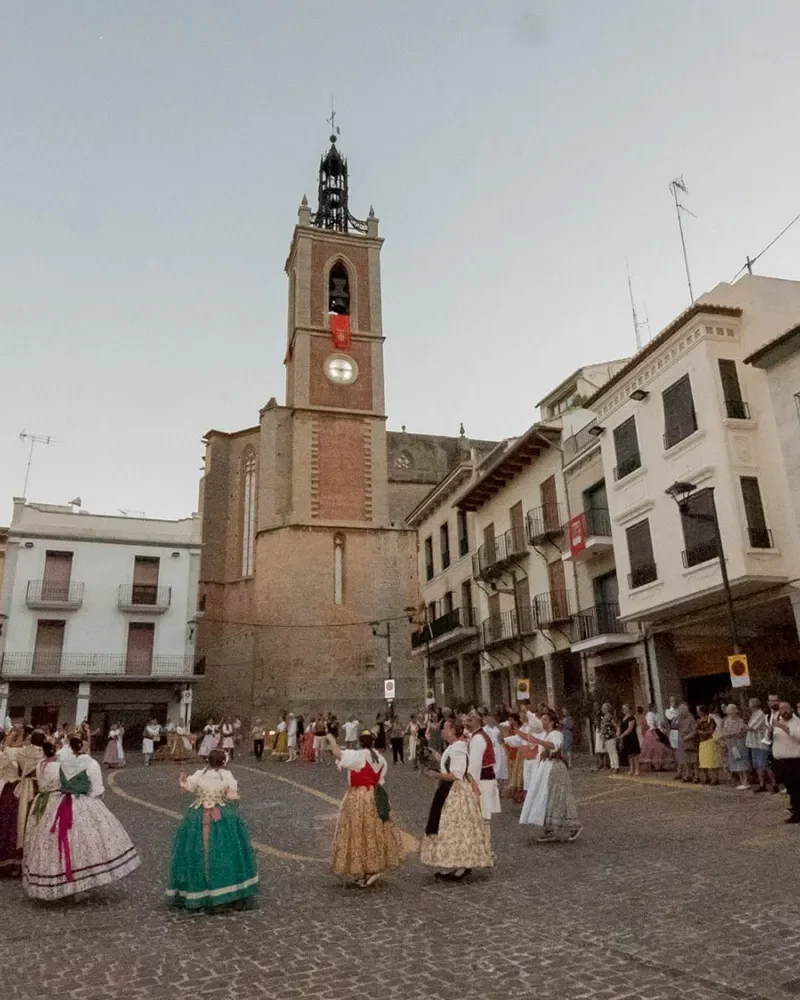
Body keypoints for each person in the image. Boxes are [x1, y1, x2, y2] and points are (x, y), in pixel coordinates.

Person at [22, 738, 140, 901]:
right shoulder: (91, 764)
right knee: (84, 844)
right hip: (83, 803)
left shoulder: (63, 763)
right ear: (84, 747)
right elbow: (96, 790)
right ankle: (79, 885)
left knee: (59, 844)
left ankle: (64, 883)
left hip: (61, 803)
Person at [166, 748, 258, 909]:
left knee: (197, 850)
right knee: (224, 850)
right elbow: (232, 796)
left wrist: (182, 779)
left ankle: (198, 888)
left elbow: (186, 787)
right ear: (223, 762)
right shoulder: (226, 775)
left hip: (198, 814)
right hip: (221, 815)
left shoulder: (200, 774)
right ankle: (225, 889)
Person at [327, 730, 406, 887]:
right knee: (373, 831)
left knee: (357, 831)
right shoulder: (381, 759)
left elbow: (338, 754)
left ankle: (365, 869)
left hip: (359, 796)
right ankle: (370, 867)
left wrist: (331, 738)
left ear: (360, 742)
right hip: (375, 796)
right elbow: (380, 780)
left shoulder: (359, 756)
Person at [420, 719, 493, 880]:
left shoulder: (459, 749)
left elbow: (456, 774)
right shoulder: (455, 747)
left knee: (456, 826)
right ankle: (453, 862)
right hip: (450, 790)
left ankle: (462, 864)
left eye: (445, 728)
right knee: (450, 827)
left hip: (455, 791)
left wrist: (435, 775)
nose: (443, 731)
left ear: (452, 731)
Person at [519, 709, 582, 843]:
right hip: (545, 768)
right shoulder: (545, 734)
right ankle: (550, 829)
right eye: (542, 719)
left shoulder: (556, 734)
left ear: (552, 722)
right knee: (546, 797)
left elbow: (555, 746)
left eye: (546, 719)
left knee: (558, 796)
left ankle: (573, 826)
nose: (543, 721)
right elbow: (531, 737)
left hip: (555, 767)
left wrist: (538, 741)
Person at [467, 712, 501, 823]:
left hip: (482, 780)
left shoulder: (478, 738)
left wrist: (472, 781)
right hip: (484, 778)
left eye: (470, 720)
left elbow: (475, 764)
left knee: (483, 813)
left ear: (477, 722)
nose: (467, 723)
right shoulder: (478, 736)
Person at [771, 702, 800, 823]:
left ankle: (797, 813)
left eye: (786, 708)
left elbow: (798, 736)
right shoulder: (777, 721)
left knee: (797, 788)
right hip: (781, 761)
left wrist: (783, 727)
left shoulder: (797, 722)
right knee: (790, 788)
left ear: (791, 709)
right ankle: (796, 809)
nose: (783, 711)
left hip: (794, 761)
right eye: (781, 709)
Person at [0, 729, 21, 876]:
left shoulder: (10, 753)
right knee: (9, 824)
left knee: (11, 824)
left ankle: (11, 861)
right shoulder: (8, 754)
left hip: (10, 790)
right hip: (8, 789)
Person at [721, 704, 750, 789]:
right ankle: (742, 781)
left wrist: (731, 734)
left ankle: (746, 781)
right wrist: (729, 734)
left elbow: (740, 732)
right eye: (729, 711)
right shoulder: (726, 721)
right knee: (736, 761)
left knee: (741, 761)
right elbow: (725, 732)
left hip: (739, 744)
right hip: (731, 744)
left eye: (732, 710)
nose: (731, 713)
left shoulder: (740, 720)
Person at [745, 697, 770, 793]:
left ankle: (770, 784)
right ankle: (761, 783)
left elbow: (753, 728)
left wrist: (743, 726)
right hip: (753, 743)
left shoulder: (760, 714)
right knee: (757, 764)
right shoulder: (753, 714)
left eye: (749, 703)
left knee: (763, 764)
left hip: (760, 743)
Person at [640, 705, 674, 772]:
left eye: (655, 707)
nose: (655, 708)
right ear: (651, 708)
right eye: (654, 707)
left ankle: (660, 765)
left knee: (662, 747)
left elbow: (661, 723)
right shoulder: (649, 714)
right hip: (652, 732)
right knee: (652, 748)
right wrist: (654, 731)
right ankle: (653, 765)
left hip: (659, 730)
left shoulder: (658, 714)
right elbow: (650, 723)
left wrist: (661, 729)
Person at [697, 705, 722, 784]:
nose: (698, 713)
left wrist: (702, 732)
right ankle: (706, 777)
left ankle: (715, 778)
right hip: (702, 741)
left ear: (702, 712)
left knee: (712, 760)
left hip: (710, 740)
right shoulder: (699, 720)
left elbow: (711, 730)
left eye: (699, 711)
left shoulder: (710, 719)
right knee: (704, 760)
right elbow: (696, 729)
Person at [674, 703, 699, 783]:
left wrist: (687, 737)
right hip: (683, 742)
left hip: (690, 741)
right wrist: (676, 719)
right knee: (685, 760)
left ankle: (696, 776)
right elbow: (674, 726)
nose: (680, 713)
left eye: (681, 711)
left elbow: (695, 731)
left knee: (694, 760)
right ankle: (688, 775)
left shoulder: (691, 719)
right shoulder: (680, 719)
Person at [618, 704, 641, 777]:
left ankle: (637, 769)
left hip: (631, 737)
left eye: (625, 708)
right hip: (625, 738)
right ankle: (631, 769)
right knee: (629, 754)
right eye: (623, 709)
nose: (623, 710)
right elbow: (620, 726)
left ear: (629, 709)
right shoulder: (623, 718)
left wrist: (622, 735)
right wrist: (619, 733)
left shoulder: (631, 718)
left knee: (634, 754)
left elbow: (630, 729)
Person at [600, 704, 619, 773]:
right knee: (610, 752)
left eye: (603, 708)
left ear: (607, 709)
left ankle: (616, 766)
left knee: (613, 752)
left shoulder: (610, 717)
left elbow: (615, 725)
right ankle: (612, 765)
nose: (602, 709)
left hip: (610, 735)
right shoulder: (604, 717)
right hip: (606, 736)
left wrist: (616, 733)